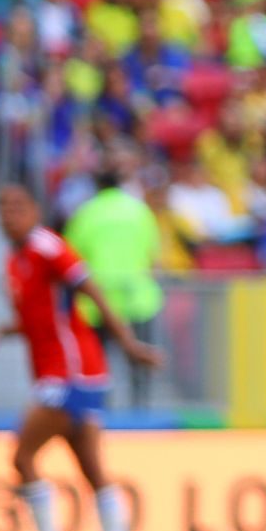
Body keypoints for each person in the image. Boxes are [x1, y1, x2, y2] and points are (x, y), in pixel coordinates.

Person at [0, 185, 161, 531]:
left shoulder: (48, 247)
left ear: (35, 211)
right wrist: (1, 331)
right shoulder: (16, 260)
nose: (8, 214)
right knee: (91, 468)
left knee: (23, 456)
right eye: (2, 207)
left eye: (17, 205)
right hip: (68, 373)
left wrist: (128, 343)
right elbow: (37, 319)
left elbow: (89, 288)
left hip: (71, 373)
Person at [64, 153, 163, 410]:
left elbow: (71, 258)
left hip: (98, 304)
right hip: (138, 299)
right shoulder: (139, 211)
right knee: (139, 364)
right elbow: (153, 256)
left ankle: (101, 416)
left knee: (99, 366)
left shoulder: (86, 213)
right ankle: (142, 413)